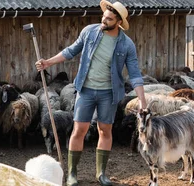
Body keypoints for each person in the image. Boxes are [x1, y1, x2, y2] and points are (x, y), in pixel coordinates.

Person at [35, 1, 148, 185]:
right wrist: (48, 62)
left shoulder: (127, 45)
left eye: (109, 19)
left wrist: (142, 100)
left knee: (105, 130)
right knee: (79, 129)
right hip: (85, 90)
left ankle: (101, 174)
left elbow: (135, 73)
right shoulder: (89, 32)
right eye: (103, 16)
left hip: (109, 93)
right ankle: (72, 174)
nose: (104, 20)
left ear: (118, 22)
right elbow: (71, 51)